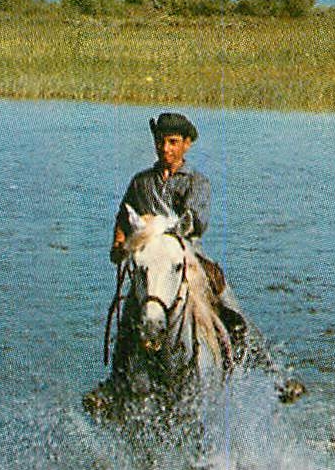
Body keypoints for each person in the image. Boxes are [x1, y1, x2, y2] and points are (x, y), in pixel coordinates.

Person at [101, 110, 301, 399]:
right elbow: (123, 217)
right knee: (131, 311)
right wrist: (119, 244)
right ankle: (115, 384)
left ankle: (269, 371)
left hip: (188, 255)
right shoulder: (140, 182)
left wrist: (153, 224)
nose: (165, 149)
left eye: (172, 142)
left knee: (227, 302)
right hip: (152, 261)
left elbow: (194, 220)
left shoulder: (197, 182)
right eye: (160, 142)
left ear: (186, 144)